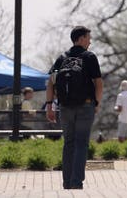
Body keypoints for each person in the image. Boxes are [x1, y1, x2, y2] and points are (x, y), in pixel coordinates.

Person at [47, 26, 103, 191]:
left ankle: (67, 183)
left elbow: (50, 82)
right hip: (86, 106)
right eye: (88, 38)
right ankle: (76, 182)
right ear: (81, 39)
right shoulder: (89, 57)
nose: (90, 41)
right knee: (81, 143)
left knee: (68, 143)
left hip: (64, 107)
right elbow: (99, 83)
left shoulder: (62, 58)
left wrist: (49, 105)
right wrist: (97, 104)